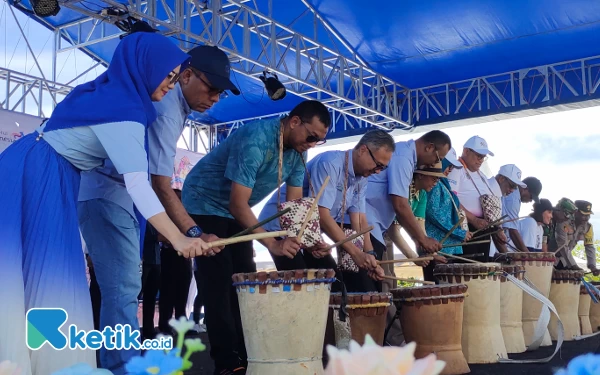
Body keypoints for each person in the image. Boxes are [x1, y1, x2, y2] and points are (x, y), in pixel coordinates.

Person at [0, 32, 209, 375]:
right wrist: (179, 239)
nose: (171, 84)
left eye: (175, 77)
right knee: (50, 273)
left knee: (28, 271)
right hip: (42, 175)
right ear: (144, 67)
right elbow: (141, 186)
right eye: (168, 75)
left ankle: (29, 361)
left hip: (38, 169)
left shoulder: (108, 94)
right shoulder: (124, 110)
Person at [77, 43, 234, 373]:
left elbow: (148, 183)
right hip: (104, 193)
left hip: (117, 197)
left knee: (120, 288)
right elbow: (158, 184)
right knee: (122, 289)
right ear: (185, 75)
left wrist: (182, 233)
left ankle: (113, 363)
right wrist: (189, 233)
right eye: (212, 89)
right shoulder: (166, 110)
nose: (216, 99)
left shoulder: (169, 107)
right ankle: (121, 366)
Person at [182, 100, 331, 375]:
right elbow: (238, 204)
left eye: (318, 141)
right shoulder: (256, 138)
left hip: (235, 210)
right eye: (311, 136)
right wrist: (272, 243)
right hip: (203, 203)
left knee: (245, 283)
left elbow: (294, 209)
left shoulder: (299, 152)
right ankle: (227, 364)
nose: (312, 144)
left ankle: (248, 356)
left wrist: (309, 241)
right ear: (294, 121)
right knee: (219, 282)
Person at [258, 129, 395, 292]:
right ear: (363, 150)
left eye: (383, 168)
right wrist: (355, 253)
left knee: (334, 284)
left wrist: (369, 254)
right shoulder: (330, 163)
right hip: (281, 227)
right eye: (378, 164)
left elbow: (359, 220)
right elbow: (322, 215)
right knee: (302, 286)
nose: (378, 171)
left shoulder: (362, 179)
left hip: (308, 233)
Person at [365, 130, 450, 265]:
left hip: (373, 226)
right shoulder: (404, 157)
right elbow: (399, 205)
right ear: (429, 147)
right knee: (366, 283)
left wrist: (421, 241)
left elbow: (406, 216)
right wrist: (422, 240)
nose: (434, 163)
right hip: (366, 223)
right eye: (438, 158)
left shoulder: (407, 157)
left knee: (371, 282)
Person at [423, 150, 472, 281]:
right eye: (448, 165)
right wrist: (459, 233)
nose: (450, 169)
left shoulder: (443, 184)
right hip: (437, 248)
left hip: (448, 248)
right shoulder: (433, 184)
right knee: (438, 291)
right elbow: (435, 214)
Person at [486, 164, 527, 258]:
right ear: (501, 179)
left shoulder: (500, 197)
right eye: (512, 186)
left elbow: (497, 227)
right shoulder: (487, 189)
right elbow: (493, 230)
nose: (512, 190)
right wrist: (509, 257)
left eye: (515, 187)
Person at [554, 200, 599, 274]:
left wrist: (592, 266)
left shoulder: (588, 227)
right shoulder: (564, 223)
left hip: (565, 262)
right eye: (583, 215)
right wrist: (574, 265)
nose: (586, 218)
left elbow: (589, 246)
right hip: (551, 260)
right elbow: (562, 246)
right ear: (576, 212)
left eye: (588, 215)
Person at [502, 177, 543, 252]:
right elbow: (512, 230)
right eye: (531, 197)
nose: (531, 201)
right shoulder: (513, 199)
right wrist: (527, 254)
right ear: (525, 189)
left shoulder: (516, 197)